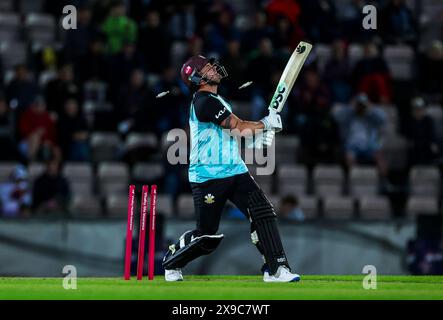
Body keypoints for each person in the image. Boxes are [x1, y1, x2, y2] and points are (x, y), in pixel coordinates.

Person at [162, 55, 300, 283]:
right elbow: (239, 126)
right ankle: (171, 262)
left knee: (263, 213)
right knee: (207, 237)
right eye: (207, 68)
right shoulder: (203, 102)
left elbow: (233, 133)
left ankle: (276, 269)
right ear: (197, 78)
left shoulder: (219, 100)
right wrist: (266, 124)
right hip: (207, 176)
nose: (214, 69)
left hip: (235, 170)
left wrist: (260, 135)